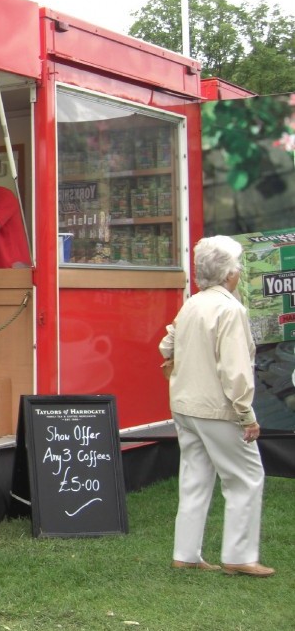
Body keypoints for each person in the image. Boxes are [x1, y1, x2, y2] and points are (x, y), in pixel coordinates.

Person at [158, 235, 274, 577]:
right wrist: (247, 415)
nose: (239, 272)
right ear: (229, 273)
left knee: (194, 478)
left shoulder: (192, 303)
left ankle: (186, 553)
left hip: (185, 405)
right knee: (246, 477)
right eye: (237, 267)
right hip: (217, 408)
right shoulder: (230, 309)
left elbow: (166, 345)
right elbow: (236, 370)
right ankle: (239, 556)